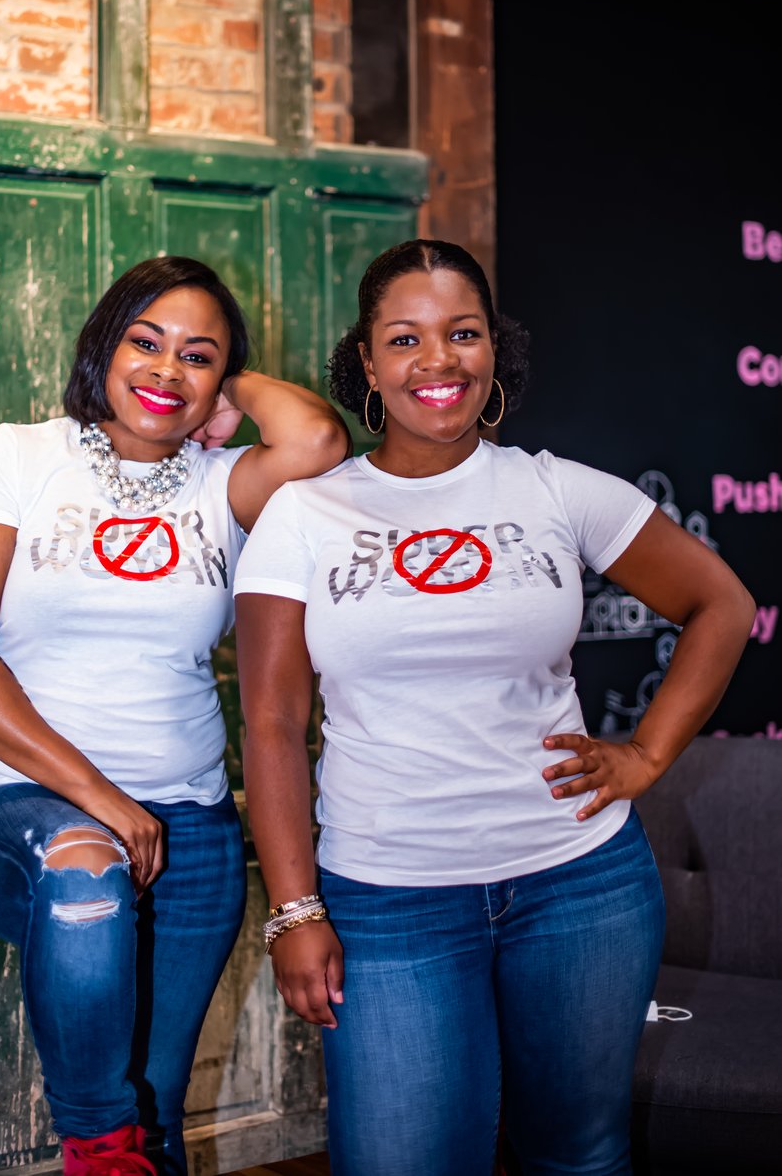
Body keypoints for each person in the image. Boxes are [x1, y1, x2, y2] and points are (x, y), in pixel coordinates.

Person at [233, 239, 755, 1176]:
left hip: (578, 884)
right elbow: (272, 722)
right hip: (388, 899)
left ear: (494, 351)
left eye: (462, 333)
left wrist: (644, 755)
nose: (439, 361)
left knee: (581, 1156)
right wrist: (294, 909)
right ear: (367, 362)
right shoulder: (306, 514)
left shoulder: (555, 486)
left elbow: (723, 603)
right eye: (406, 338)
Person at [0, 256, 349, 1176]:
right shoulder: (14, 456)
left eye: (197, 355)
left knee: (158, 1107)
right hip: (26, 809)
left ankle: (126, 1148)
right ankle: (94, 1146)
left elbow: (316, 439)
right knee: (85, 880)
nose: (165, 370)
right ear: (101, 345)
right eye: (144, 343)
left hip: (190, 832)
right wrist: (102, 800)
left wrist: (221, 387)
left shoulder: (220, 482)